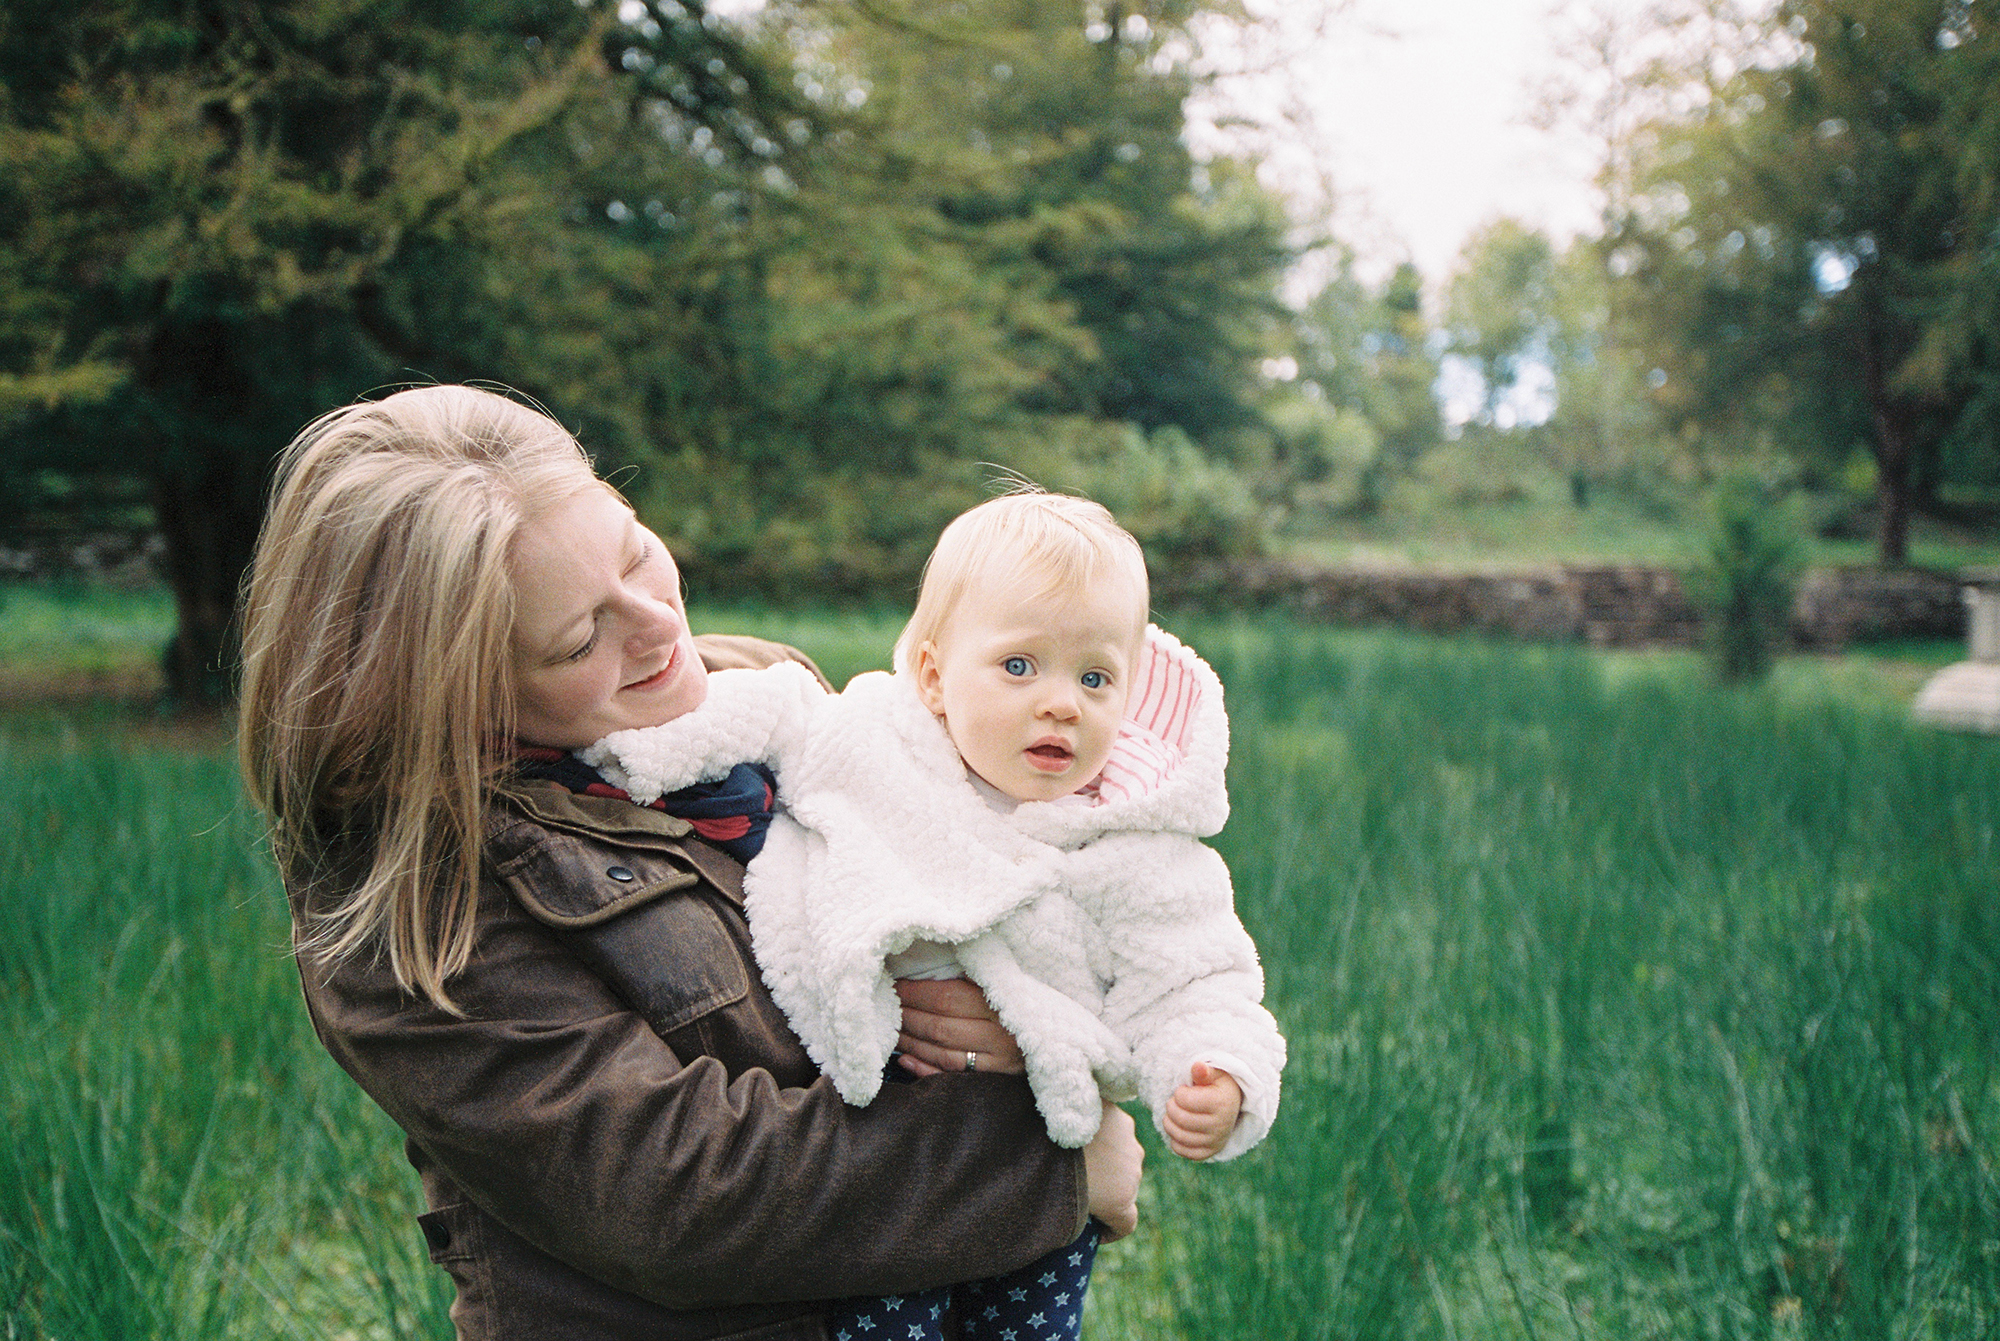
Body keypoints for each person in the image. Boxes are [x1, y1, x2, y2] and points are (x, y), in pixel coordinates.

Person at [235, 385, 1144, 1341]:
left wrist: (1023, 1021)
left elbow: (1004, 888)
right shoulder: (415, 903)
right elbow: (678, 1195)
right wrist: (1048, 1169)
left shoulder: (766, 691)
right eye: (580, 637)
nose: (659, 626)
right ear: (452, 695)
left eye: (634, 552)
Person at [583, 490, 1286, 1341]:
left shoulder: (1138, 848)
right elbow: (764, 708)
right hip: (883, 1140)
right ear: (932, 675)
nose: (1062, 701)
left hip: (1040, 1143)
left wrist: (1216, 1069)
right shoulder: (874, 740)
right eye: (1020, 666)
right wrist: (639, 756)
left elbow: (1199, 975)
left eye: (1095, 677)